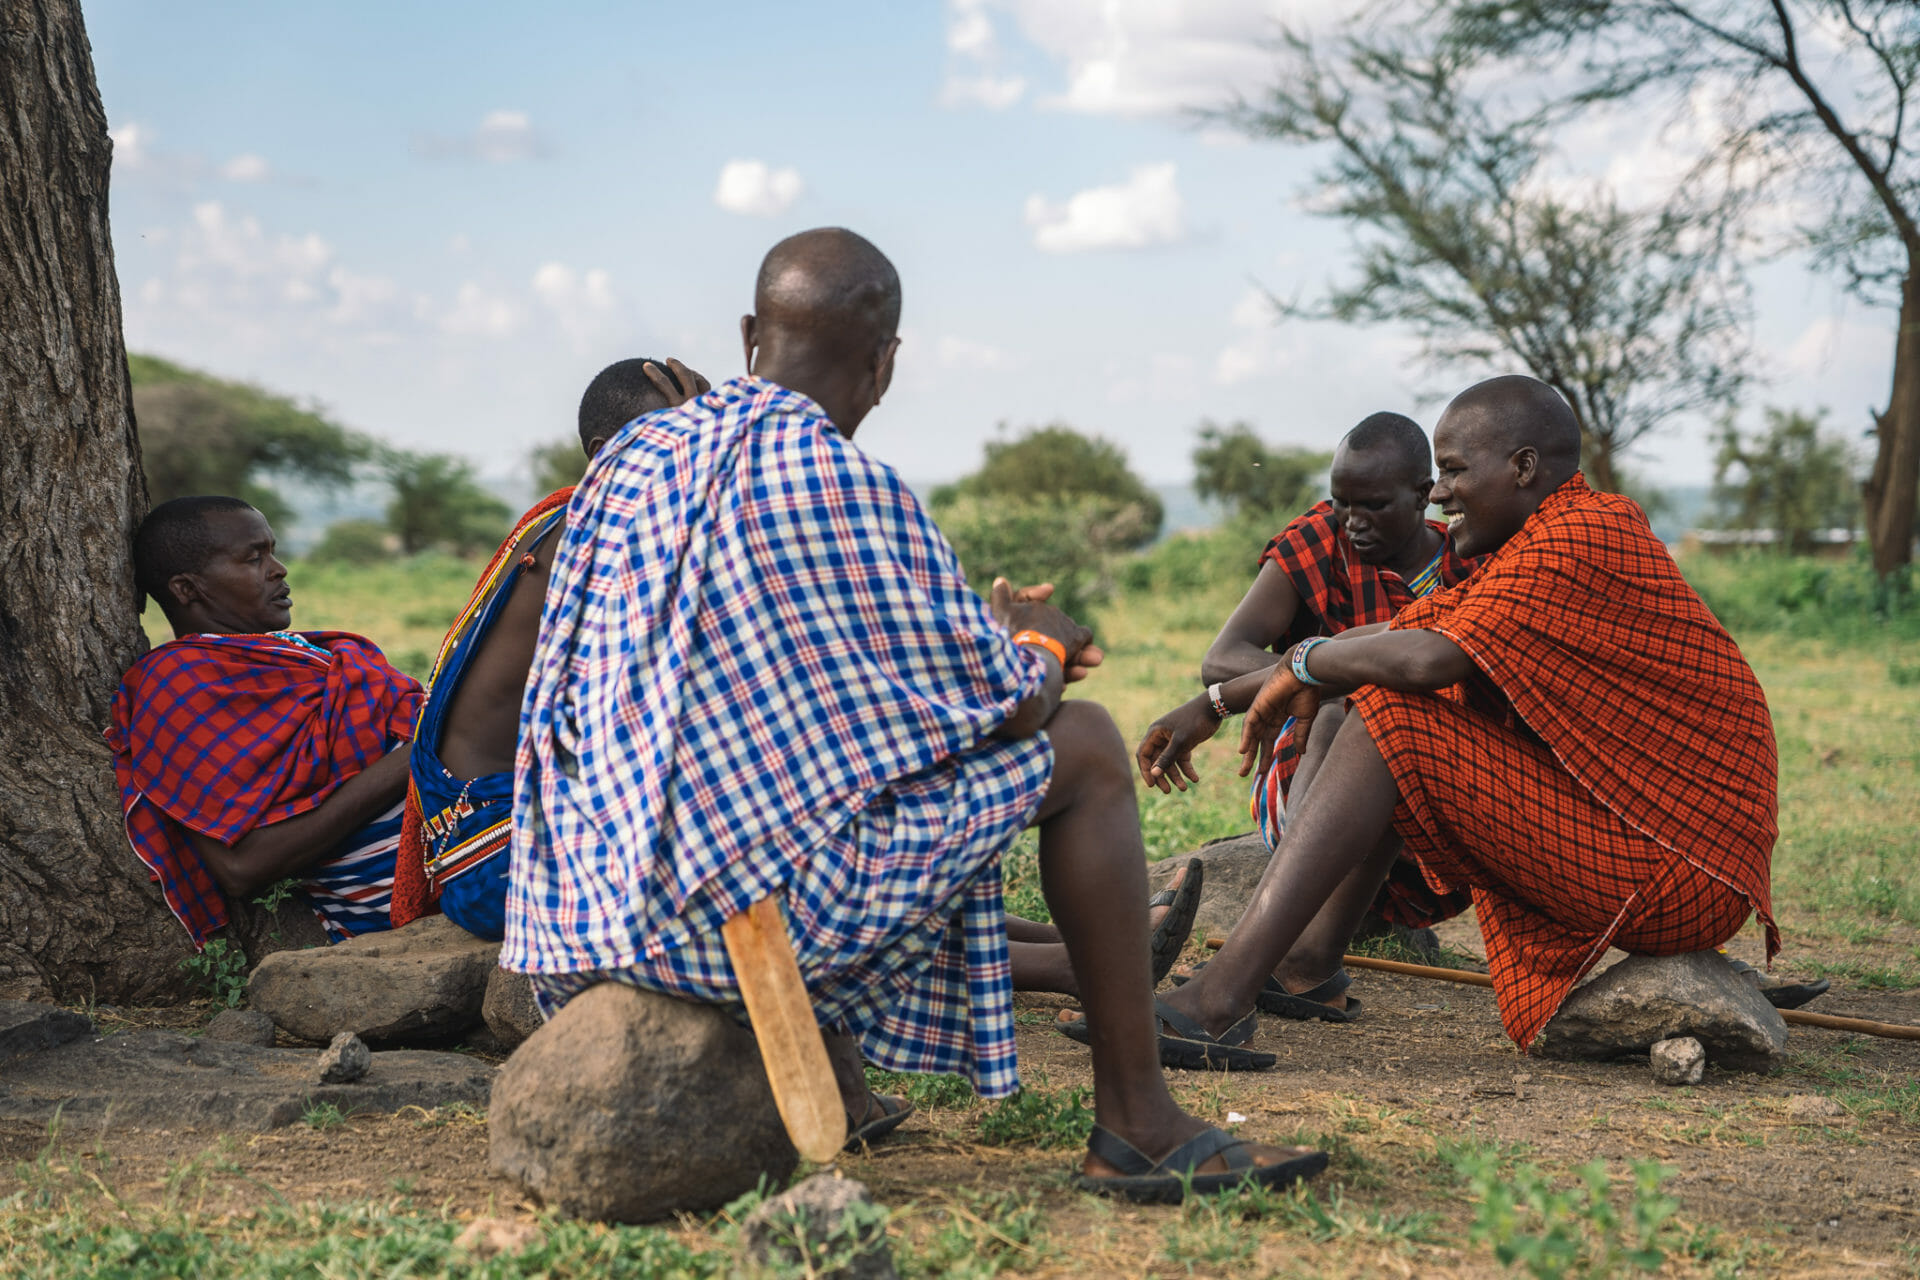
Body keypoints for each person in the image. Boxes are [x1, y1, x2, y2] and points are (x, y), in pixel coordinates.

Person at [504, 226, 1323, 1199]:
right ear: (885, 362)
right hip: (718, 926)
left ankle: (845, 1076)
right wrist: (1042, 642)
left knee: (825, 776)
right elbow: (1012, 710)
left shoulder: (623, 464)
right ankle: (1138, 1122)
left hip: (574, 920)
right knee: (1090, 744)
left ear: (745, 333)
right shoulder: (844, 482)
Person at [1152, 374, 1780, 1052]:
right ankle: (1303, 963)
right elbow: (1398, 635)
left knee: (1396, 712)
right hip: (1658, 849)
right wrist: (1217, 700)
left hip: (1686, 873)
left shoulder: (1579, 538)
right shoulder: (1536, 541)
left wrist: (1306, 662)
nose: (1442, 491)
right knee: (1389, 702)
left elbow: (1424, 660)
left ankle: (1219, 1001)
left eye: (1453, 470)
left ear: (1523, 467)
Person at [1137, 414, 1476, 1022]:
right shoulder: (1320, 541)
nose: (1354, 522)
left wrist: (1335, 666)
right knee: (1346, 704)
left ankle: (1297, 955)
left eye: (1373, 505)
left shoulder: (1466, 567)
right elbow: (1223, 657)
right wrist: (1323, 672)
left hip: (1431, 821)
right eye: (1342, 502)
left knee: (1376, 696)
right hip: (1308, 781)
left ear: (1425, 496)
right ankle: (1298, 947)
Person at [390, 357, 711, 938]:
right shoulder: (587, 535)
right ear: (601, 452)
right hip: (499, 857)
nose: (690, 462)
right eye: (669, 442)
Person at [109, 497, 421, 946]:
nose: (279, 569)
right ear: (187, 589)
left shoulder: (300, 654)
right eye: (254, 558)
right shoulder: (178, 684)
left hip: (469, 819)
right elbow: (241, 867)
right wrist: (422, 752)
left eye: (272, 552)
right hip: (407, 880)